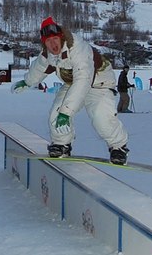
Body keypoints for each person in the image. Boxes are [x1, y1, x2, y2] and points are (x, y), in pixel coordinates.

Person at [11, 17, 129, 164]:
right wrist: (27, 81)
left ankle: (118, 147)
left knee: (101, 118)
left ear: (61, 37)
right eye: (48, 41)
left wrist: (66, 112)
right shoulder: (48, 54)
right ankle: (61, 145)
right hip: (72, 84)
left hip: (99, 83)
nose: (53, 44)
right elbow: (40, 67)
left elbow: (83, 80)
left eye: (54, 39)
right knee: (55, 115)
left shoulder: (78, 48)